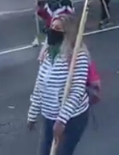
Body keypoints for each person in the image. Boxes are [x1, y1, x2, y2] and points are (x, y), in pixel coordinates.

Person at [27, 15, 91, 155]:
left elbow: (77, 91)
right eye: (52, 27)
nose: (52, 31)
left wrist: (62, 120)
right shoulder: (48, 53)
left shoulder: (77, 56)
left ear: (67, 34)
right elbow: (40, 85)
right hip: (49, 115)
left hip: (72, 118)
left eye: (57, 28)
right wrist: (32, 114)